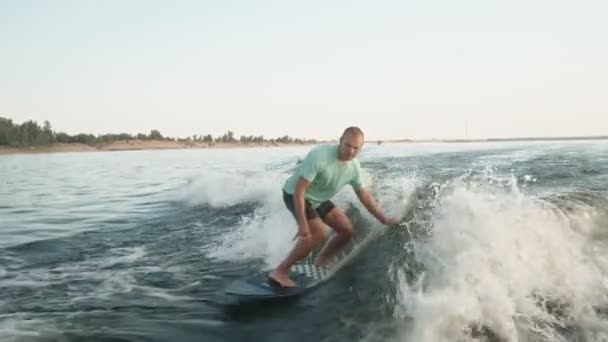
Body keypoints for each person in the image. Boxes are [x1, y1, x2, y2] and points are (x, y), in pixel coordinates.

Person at [269, 126, 399, 287]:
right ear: (340, 141)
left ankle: (321, 260)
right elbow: (299, 191)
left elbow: (364, 197)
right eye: (348, 145)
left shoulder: (353, 168)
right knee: (318, 233)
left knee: (346, 230)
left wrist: (384, 219)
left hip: (318, 198)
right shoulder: (320, 156)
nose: (351, 151)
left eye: (356, 148)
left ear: (361, 148)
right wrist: (303, 225)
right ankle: (280, 271)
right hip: (295, 194)